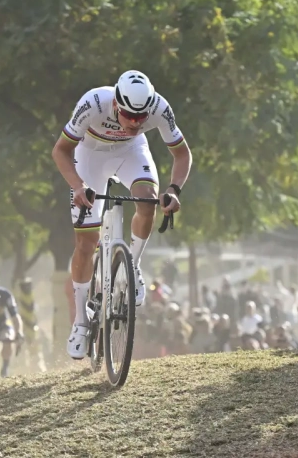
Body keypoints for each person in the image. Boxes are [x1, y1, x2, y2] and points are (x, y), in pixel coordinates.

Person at [51, 70, 192, 360]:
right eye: (130, 115)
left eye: (142, 118)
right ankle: (80, 321)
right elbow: (61, 150)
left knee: (148, 202)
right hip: (89, 157)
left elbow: (182, 154)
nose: (136, 122)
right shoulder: (93, 103)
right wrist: (78, 186)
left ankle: (133, 266)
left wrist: (175, 189)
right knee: (85, 245)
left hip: (131, 153)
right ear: (116, 104)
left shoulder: (159, 108)